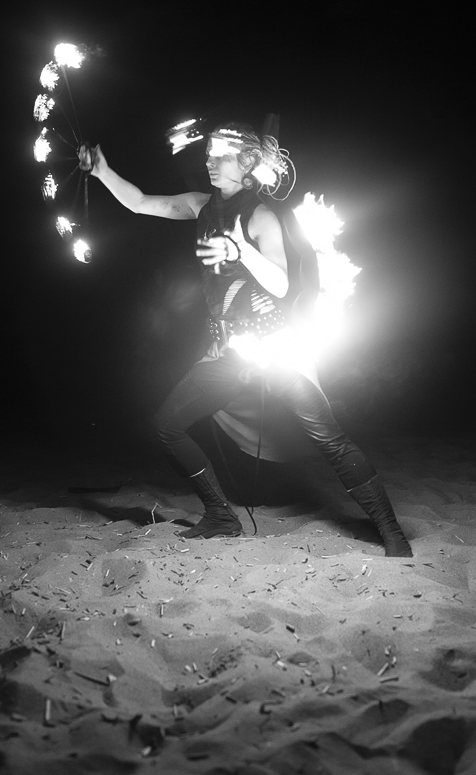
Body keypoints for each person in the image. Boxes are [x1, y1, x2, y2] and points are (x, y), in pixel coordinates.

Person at [90, 124, 412, 557]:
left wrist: (243, 251)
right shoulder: (200, 205)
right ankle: (221, 515)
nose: (209, 161)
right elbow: (140, 202)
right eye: (208, 153)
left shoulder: (261, 217)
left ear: (246, 165)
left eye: (220, 155)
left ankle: (391, 532)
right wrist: (102, 171)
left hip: (274, 347)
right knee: (167, 426)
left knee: (329, 439)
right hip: (229, 351)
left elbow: (280, 284)